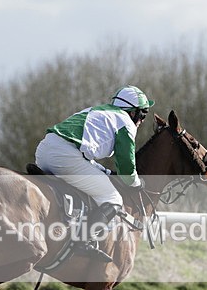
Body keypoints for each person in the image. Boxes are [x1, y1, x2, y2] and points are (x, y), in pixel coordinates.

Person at [35, 85, 154, 262]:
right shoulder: (126, 123)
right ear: (132, 112)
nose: (143, 119)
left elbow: (82, 152)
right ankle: (83, 241)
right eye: (142, 114)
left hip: (44, 151)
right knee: (113, 198)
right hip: (64, 156)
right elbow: (127, 167)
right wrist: (136, 183)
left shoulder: (98, 110)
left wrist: (105, 171)